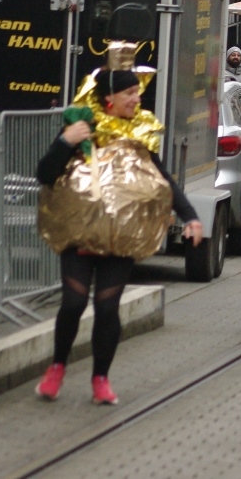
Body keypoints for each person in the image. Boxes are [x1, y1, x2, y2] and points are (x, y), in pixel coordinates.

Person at [35, 60, 203, 405]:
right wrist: (65, 142)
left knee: (107, 308)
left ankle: (100, 379)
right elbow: (45, 174)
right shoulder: (82, 128)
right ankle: (56, 368)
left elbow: (163, 179)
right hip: (80, 234)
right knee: (74, 303)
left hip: (121, 238)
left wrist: (190, 216)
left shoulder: (138, 134)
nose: (136, 99)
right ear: (109, 97)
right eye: (130, 93)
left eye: (137, 93)